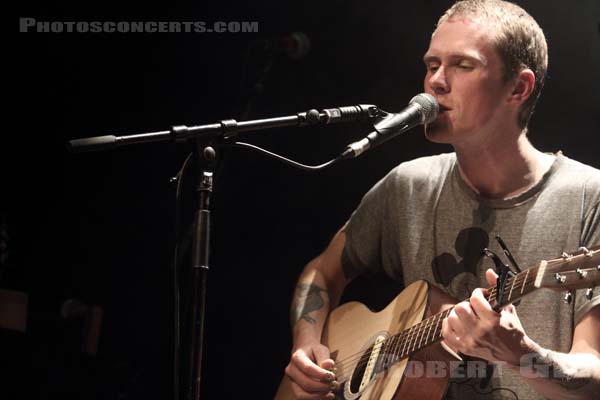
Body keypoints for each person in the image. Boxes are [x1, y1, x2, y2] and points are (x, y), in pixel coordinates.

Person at [284, 1, 600, 399]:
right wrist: (306, 339)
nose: (435, 82)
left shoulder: (589, 196)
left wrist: (522, 356)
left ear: (518, 87)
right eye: (432, 65)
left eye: (462, 65)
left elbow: (594, 378)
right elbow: (321, 273)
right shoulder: (409, 186)